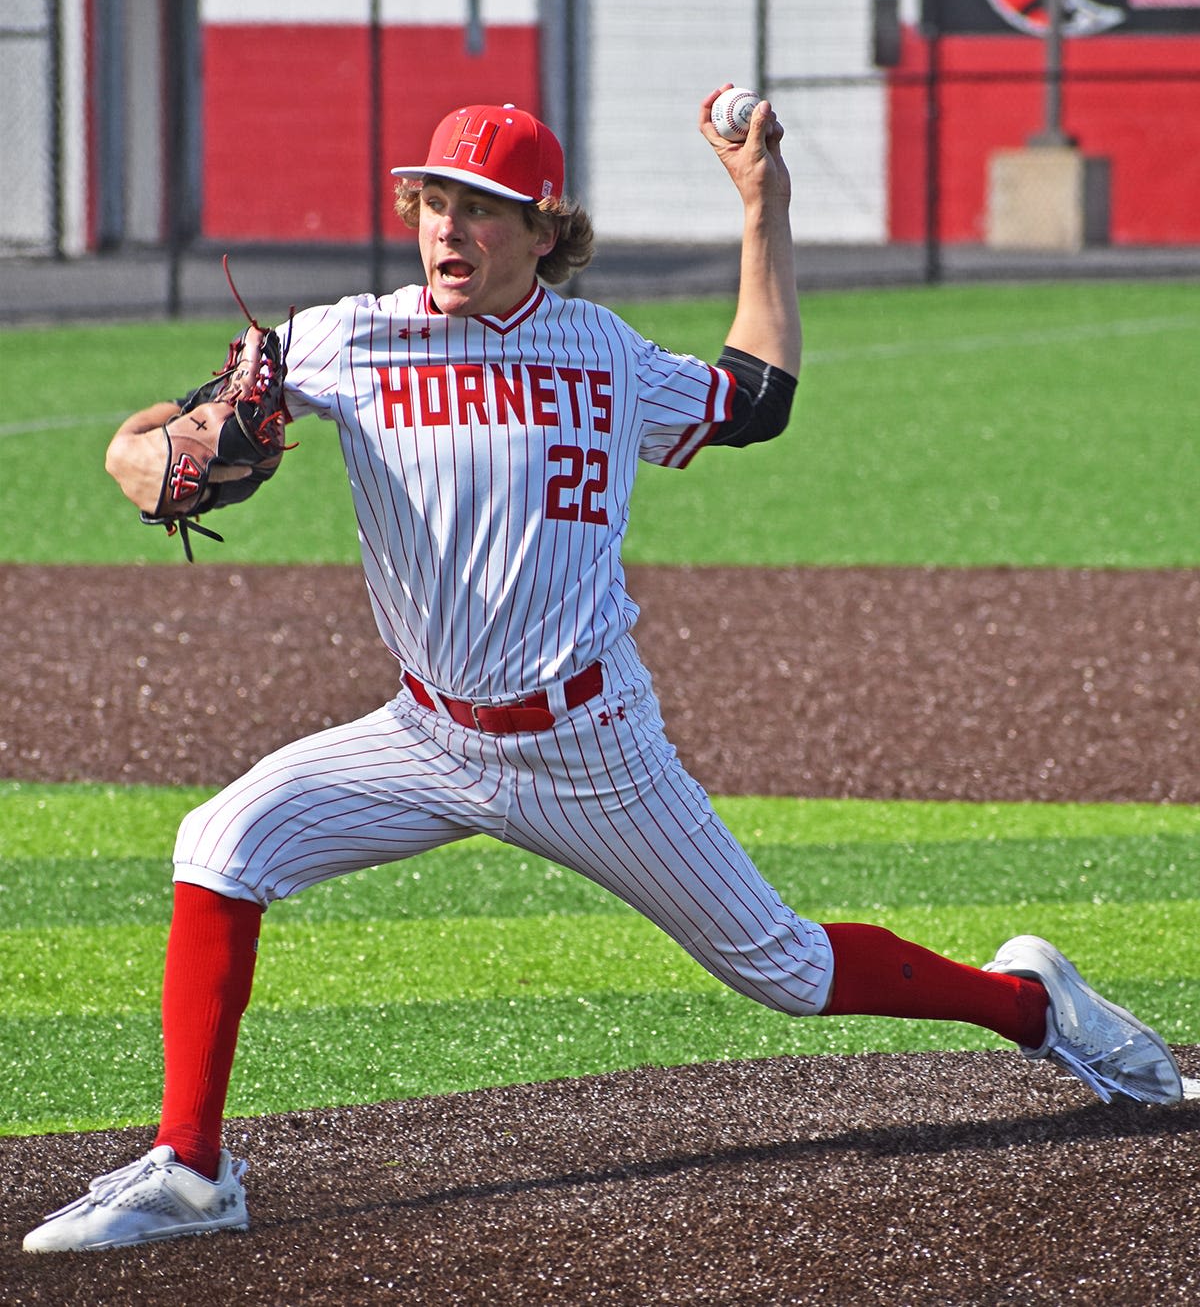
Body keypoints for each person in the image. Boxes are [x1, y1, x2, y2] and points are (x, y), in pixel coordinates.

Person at [24, 90, 1182, 1254]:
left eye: (481, 210)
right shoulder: (341, 336)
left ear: (543, 231)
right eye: (434, 201)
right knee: (221, 843)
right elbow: (153, 439)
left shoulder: (604, 351)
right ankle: (190, 1167)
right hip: (425, 736)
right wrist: (155, 455)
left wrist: (762, 203)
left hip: (592, 745)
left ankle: (1034, 1004)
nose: (448, 230)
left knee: (782, 966)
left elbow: (761, 400)